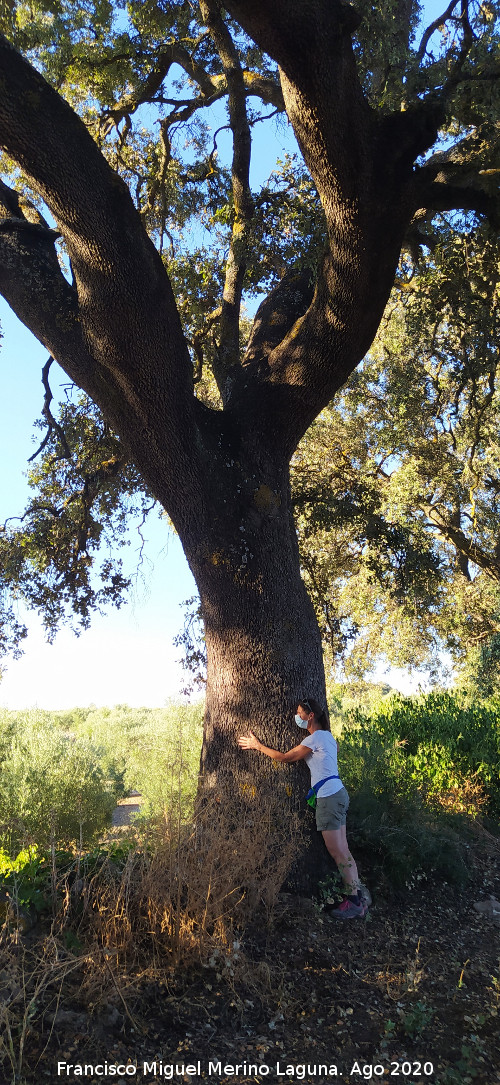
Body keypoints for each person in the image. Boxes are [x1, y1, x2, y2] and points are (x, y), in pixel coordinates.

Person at [238, 697, 367, 918]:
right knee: (343, 850)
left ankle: (353, 901)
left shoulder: (315, 738)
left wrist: (258, 746)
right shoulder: (328, 737)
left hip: (328, 796)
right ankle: (357, 896)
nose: (296, 717)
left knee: (337, 852)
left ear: (310, 716)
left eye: (300, 713)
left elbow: (286, 757)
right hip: (338, 792)